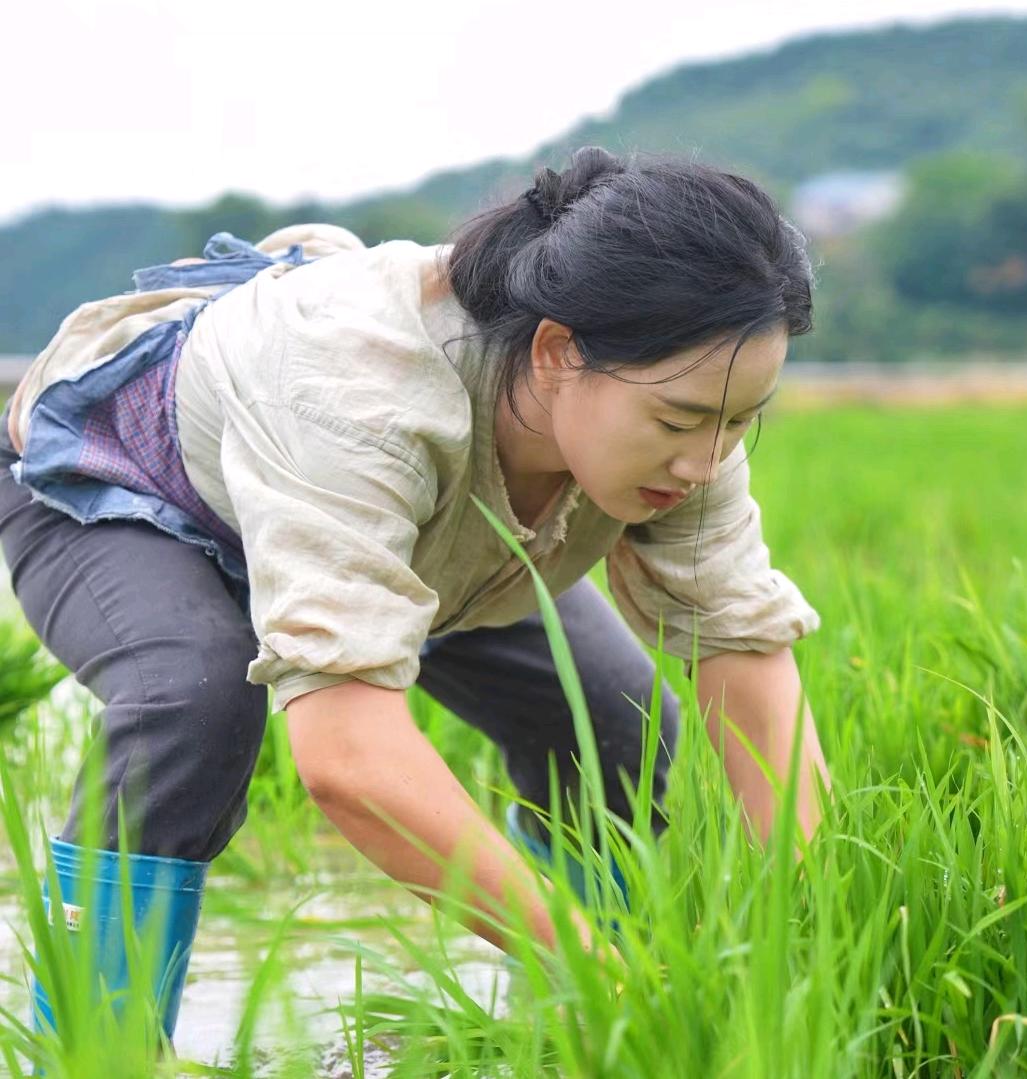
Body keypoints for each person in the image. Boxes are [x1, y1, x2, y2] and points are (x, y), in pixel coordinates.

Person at [0, 146, 831, 1042]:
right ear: (558, 351)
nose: (705, 461)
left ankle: (583, 1034)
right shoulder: (359, 389)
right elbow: (349, 759)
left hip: (414, 533)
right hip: (135, 490)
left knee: (612, 719)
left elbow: (742, 651)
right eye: (677, 421)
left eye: (738, 422)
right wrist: (602, 968)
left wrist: (807, 935)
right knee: (193, 695)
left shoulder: (683, 423)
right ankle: (93, 1046)